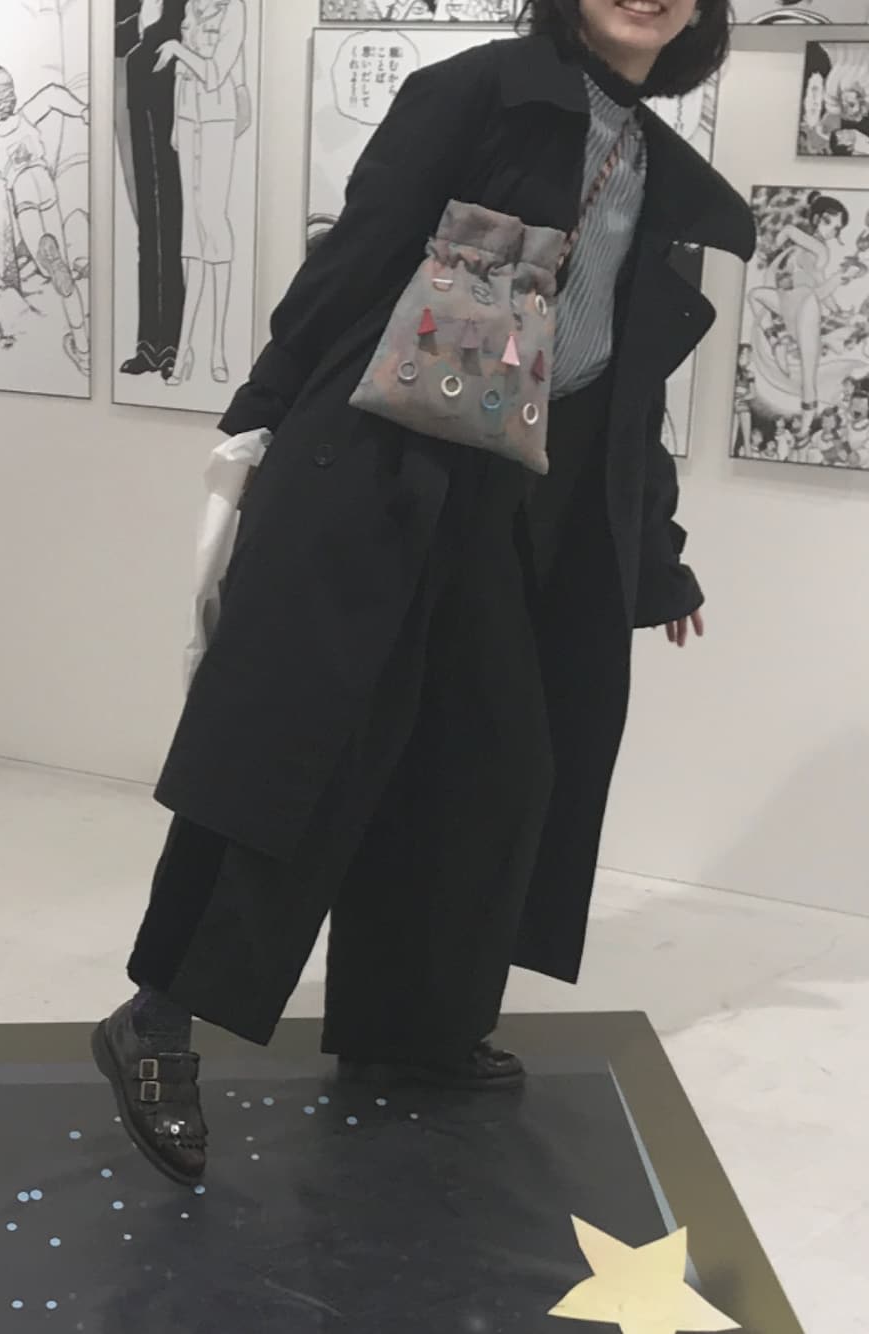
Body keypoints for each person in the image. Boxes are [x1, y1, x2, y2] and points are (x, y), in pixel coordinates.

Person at [92, 0, 754, 1186]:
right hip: (380, 472)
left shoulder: (651, 160)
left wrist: (654, 551)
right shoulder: (478, 91)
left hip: (521, 506)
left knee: (492, 764)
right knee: (297, 756)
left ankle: (409, 1019)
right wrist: (260, 418)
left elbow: (626, 383)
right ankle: (156, 1019)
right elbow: (354, 258)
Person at [0, 66, 91, 377]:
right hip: (45, 186)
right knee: (65, 277)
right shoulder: (26, 116)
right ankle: (84, 348)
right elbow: (52, 94)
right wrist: (83, 110)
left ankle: (49, 264)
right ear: (11, 94)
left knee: (51, 269)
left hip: (24, 196)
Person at [155, 0, 248, 387]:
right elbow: (185, 76)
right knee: (191, 236)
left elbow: (214, 73)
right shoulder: (193, 5)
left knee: (213, 222)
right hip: (188, 119)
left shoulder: (234, 9)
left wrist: (177, 49)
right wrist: (177, 125)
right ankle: (184, 349)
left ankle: (217, 349)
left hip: (218, 118)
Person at [116, 0, 188, 382]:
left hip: (175, 132)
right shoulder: (129, 13)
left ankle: (173, 345)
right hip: (141, 126)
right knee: (149, 238)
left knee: (171, 237)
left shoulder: (181, 11)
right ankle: (148, 345)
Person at [748, 193, 850, 433]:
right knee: (755, 295)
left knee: (807, 371)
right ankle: (777, 341)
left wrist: (837, 300)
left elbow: (790, 232)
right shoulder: (805, 248)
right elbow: (792, 239)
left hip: (805, 305)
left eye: (836, 228)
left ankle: (805, 424)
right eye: (827, 221)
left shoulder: (820, 250)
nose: (830, 230)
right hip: (788, 300)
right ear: (816, 218)